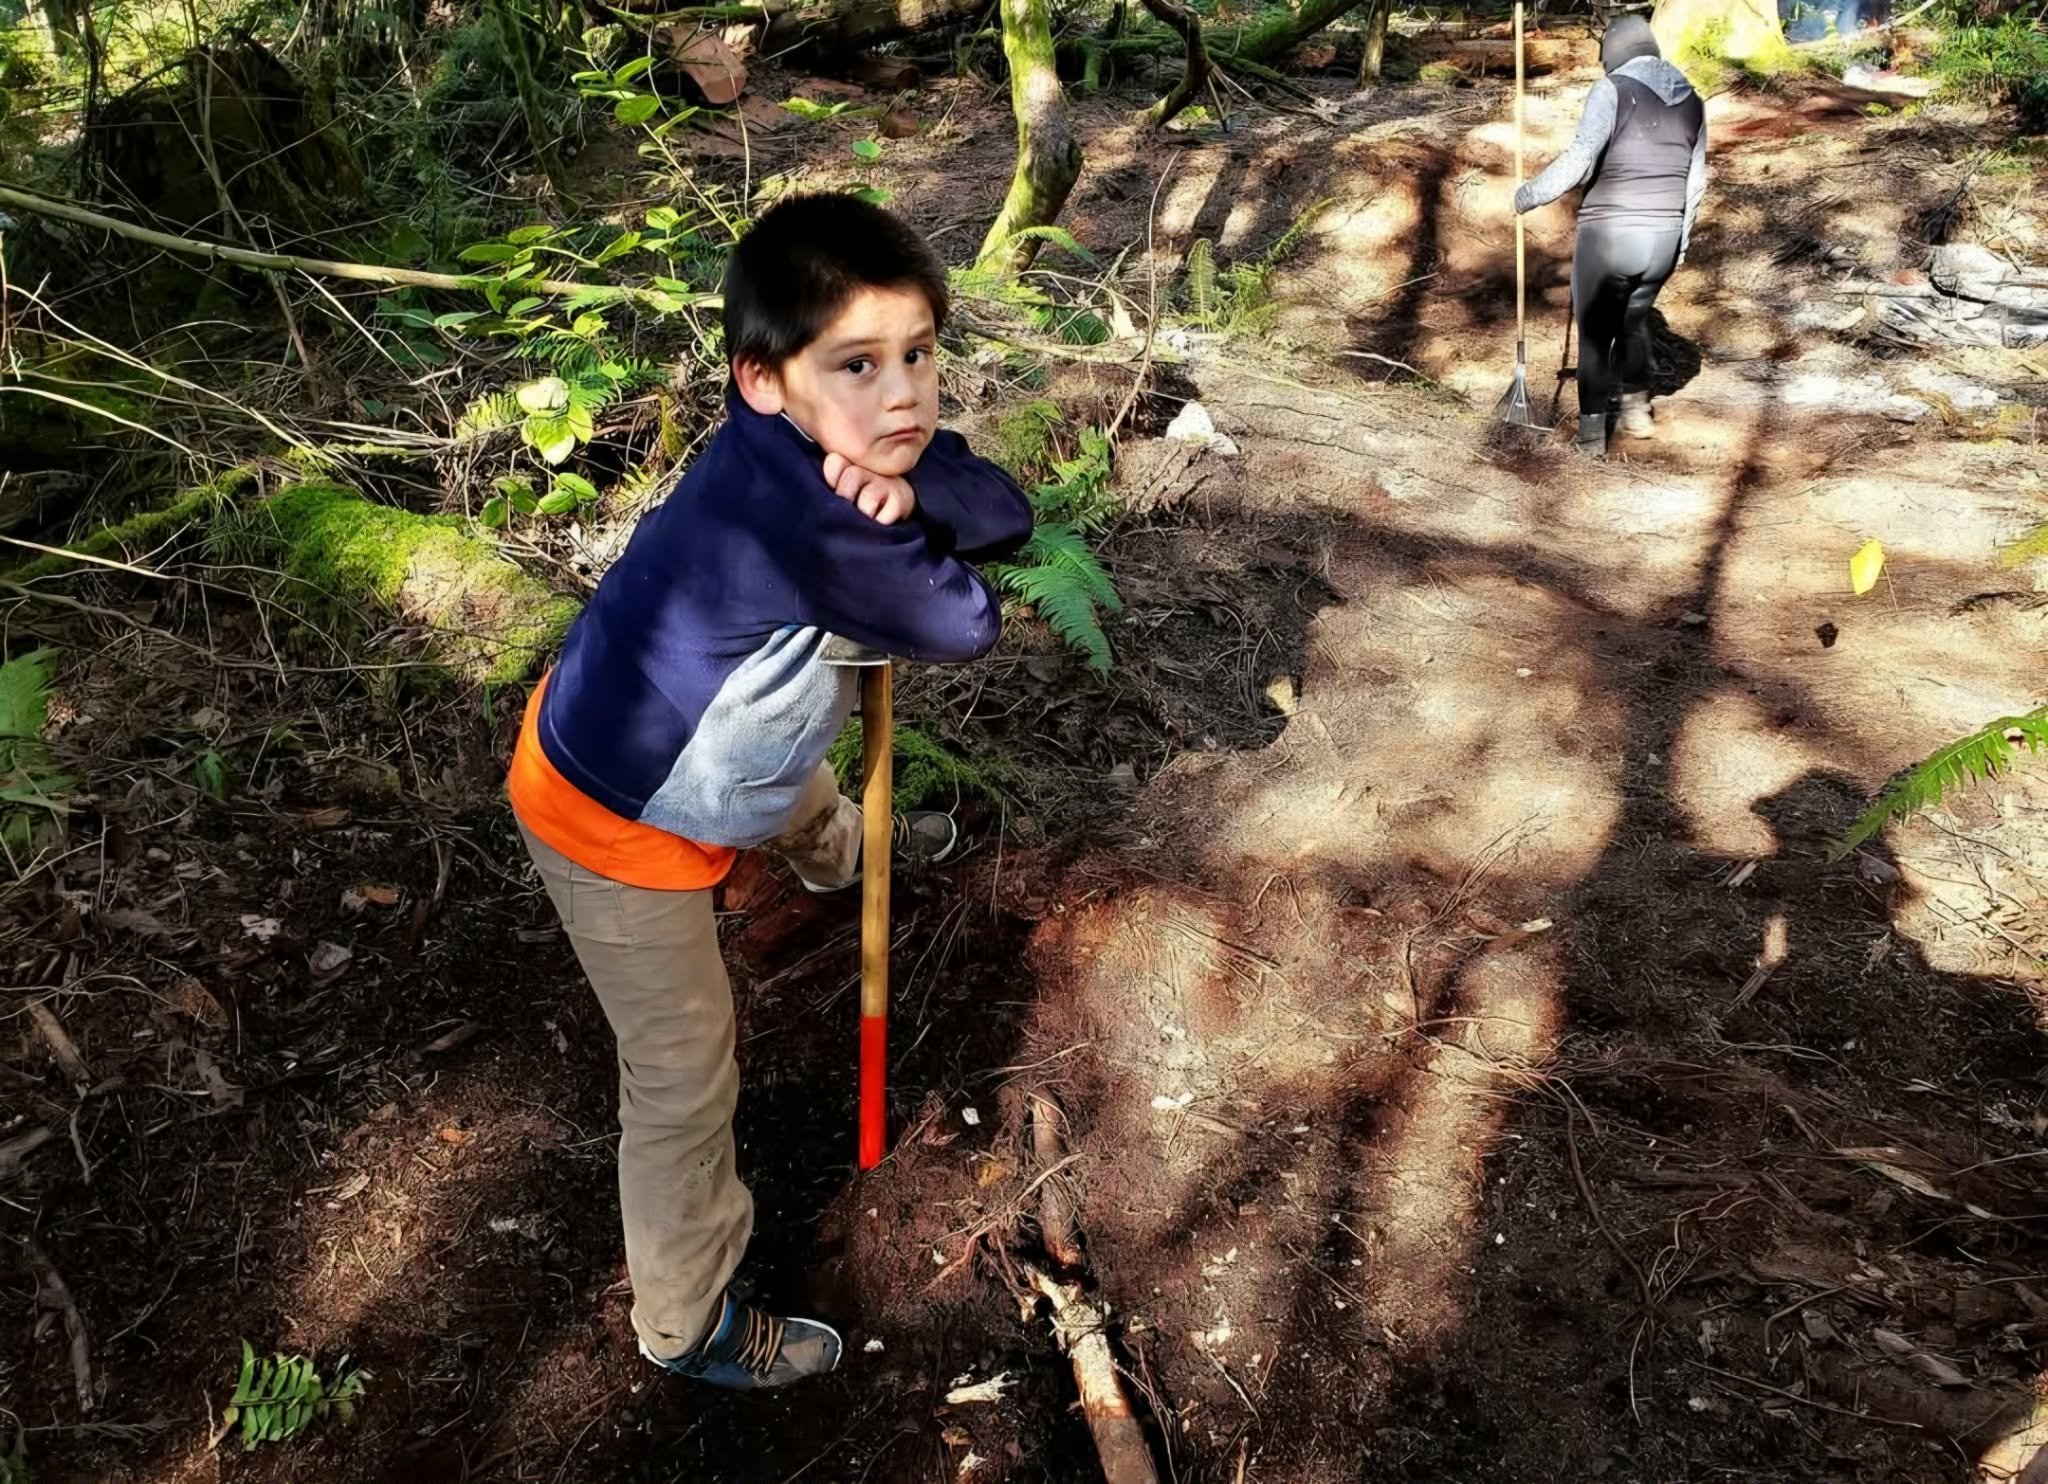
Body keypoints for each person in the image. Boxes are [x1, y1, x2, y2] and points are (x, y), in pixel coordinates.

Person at [507, 193, 1034, 1389]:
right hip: (610, 818)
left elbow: (999, 506)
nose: (902, 397)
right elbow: (964, 619)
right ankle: (683, 1318)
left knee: (789, 774)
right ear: (761, 378)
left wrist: (913, 495)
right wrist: (904, 526)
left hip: (694, 732)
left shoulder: (797, 444)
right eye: (856, 363)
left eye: (918, 354)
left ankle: (844, 855)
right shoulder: (807, 517)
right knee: (682, 1068)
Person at [1513, 14, 1707, 456]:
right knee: (1634, 322)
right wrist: (1680, 243)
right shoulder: (1693, 101)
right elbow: (1696, 183)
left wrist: (1527, 195)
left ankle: (1591, 442)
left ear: (1614, 53)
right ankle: (1637, 412)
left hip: (1610, 239)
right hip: (1661, 238)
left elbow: (1581, 160)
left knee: (1596, 339)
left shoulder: (1612, 90)